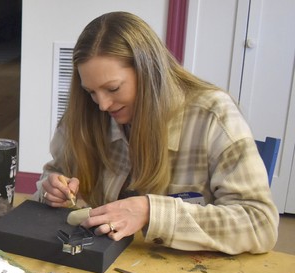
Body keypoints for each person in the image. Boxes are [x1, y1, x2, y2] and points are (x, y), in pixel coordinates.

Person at [35, 11, 278, 255]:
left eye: (113, 88)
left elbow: (260, 224)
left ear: (149, 71)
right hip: (99, 265)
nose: (103, 105)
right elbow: (56, 172)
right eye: (91, 92)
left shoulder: (213, 115)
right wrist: (53, 189)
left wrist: (151, 212)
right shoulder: (85, 113)